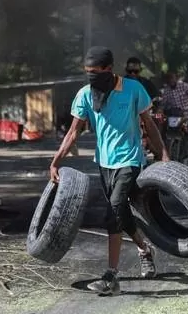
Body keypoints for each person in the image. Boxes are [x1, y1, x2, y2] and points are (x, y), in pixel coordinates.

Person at [49, 46, 170, 296]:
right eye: (87, 72)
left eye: (95, 72)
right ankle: (143, 250)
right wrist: (56, 160)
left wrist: (163, 154)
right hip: (104, 163)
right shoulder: (85, 95)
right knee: (116, 214)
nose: (91, 76)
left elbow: (149, 124)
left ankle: (111, 275)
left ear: (108, 69)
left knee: (115, 207)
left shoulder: (133, 89)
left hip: (130, 159)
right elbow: (74, 131)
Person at [160, 71, 188, 176]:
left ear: (176, 78)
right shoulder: (166, 91)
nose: (170, 81)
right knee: (163, 133)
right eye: (168, 79)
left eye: (172, 78)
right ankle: (163, 159)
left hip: (186, 114)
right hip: (173, 116)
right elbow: (163, 104)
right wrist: (160, 112)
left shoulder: (185, 86)